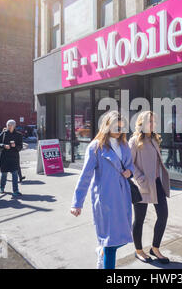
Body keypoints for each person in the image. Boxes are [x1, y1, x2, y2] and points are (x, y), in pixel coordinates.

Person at [70, 111, 134, 269]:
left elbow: (131, 165)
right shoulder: (95, 147)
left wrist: (130, 172)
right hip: (105, 199)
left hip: (123, 195)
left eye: (121, 127)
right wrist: (77, 203)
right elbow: (85, 176)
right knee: (111, 243)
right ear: (107, 125)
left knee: (123, 237)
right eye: (116, 126)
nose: (119, 130)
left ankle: (101, 251)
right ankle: (105, 254)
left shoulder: (124, 145)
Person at [129, 111, 171, 264]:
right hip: (142, 186)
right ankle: (139, 251)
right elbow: (129, 163)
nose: (153, 124)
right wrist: (140, 179)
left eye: (154, 121)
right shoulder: (134, 141)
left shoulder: (154, 139)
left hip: (157, 183)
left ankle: (155, 248)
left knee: (163, 215)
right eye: (150, 121)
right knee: (139, 219)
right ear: (142, 123)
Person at [0, 120, 23, 196]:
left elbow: (20, 146)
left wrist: (15, 146)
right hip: (4, 157)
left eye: (11, 125)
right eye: (8, 125)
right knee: (4, 174)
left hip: (14, 157)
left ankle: (15, 190)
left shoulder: (18, 135)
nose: (9, 126)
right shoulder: (3, 134)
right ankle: (2, 188)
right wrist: (4, 146)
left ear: (14, 126)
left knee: (15, 174)